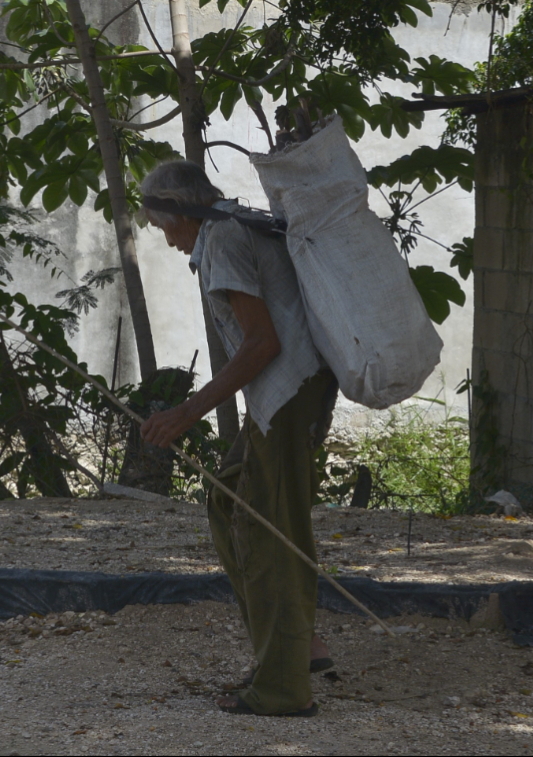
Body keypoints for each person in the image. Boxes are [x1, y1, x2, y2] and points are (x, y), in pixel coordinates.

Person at [137, 160, 336, 718]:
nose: (168, 240)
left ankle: (283, 687)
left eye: (164, 226)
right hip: (294, 393)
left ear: (178, 209)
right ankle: (297, 649)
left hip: (289, 393)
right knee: (229, 498)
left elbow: (261, 344)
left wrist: (185, 413)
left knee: (270, 528)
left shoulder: (221, 237)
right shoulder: (232, 225)